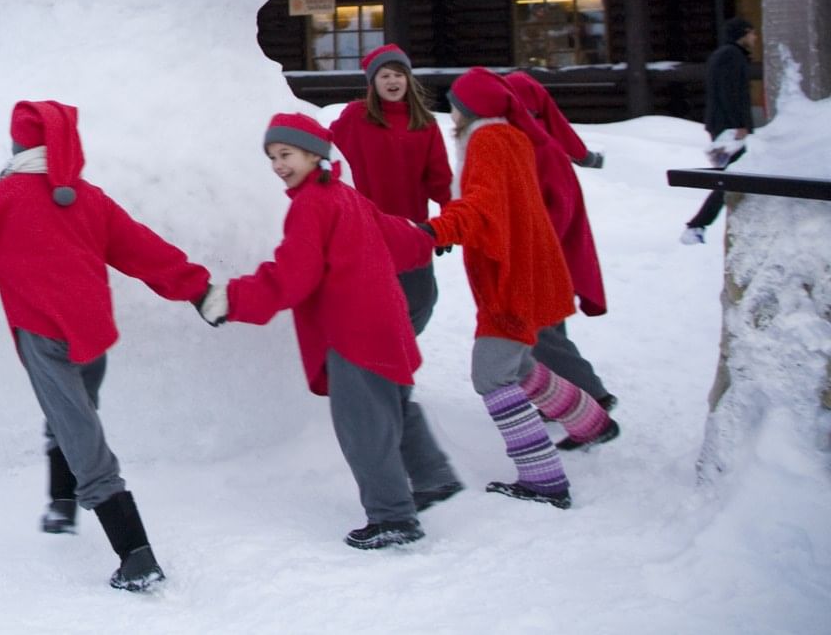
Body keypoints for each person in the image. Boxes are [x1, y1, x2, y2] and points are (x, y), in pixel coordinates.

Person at [0, 100, 207, 594]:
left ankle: (136, 554)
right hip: (93, 334)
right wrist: (198, 288)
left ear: (18, 147)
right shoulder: (88, 198)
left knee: (81, 435)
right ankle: (62, 502)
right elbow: (145, 250)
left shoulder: (5, 198)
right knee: (75, 413)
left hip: (45, 336)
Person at [219, 114, 458, 550]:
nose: (277, 164)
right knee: (395, 406)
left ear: (315, 154)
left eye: (286, 154)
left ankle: (392, 517)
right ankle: (433, 478)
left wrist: (233, 299)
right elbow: (395, 237)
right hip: (385, 324)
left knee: (363, 424)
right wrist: (425, 237)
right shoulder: (345, 196)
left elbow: (293, 274)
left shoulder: (312, 205)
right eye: (272, 156)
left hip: (354, 332)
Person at [426, 69, 616, 510]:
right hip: (521, 271)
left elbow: (482, 207)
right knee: (522, 367)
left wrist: (435, 230)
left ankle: (543, 480)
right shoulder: (508, 138)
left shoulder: (489, 142)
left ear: (469, 108)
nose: (451, 109)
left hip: (511, 278)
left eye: (455, 101)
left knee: (491, 375)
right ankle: (591, 423)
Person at [504, 72, 615, 410]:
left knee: (535, 329)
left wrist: (532, 240)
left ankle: (593, 394)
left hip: (544, 252)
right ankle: (564, 398)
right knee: (547, 324)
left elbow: (560, 209)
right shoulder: (525, 145)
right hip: (541, 251)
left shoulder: (541, 151)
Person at [329, 45, 451, 335]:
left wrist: (450, 220)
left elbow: (440, 179)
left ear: (409, 79)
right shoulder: (355, 117)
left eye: (398, 74)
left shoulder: (425, 124)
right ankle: (381, 361)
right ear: (373, 83)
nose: (392, 81)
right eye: (384, 76)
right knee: (374, 301)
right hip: (367, 228)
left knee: (421, 300)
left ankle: (395, 353)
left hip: (411, 229)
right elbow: (327, 154)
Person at [684, 17, 757, 243]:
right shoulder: (730, 56)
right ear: (743, 34)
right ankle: (696, 226)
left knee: (730, 176)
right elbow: (730, 93)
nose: (755, 38)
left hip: (724, 127)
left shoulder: (727, 56)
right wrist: (740, 125)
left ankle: (698, 226)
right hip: (729, 129)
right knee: (730, 177)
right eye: (752, 33)